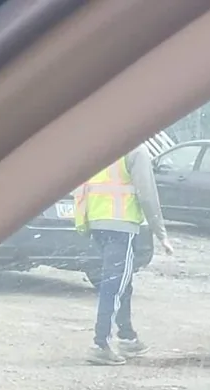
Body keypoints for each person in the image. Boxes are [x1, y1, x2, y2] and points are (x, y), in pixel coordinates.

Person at [73, 143, 173, 365]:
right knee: (115, 285)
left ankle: (127, 336)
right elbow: (147, 194)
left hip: (97, 222)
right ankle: (101, 344)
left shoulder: (99, 145)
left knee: (121, 282)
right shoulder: (135, 149)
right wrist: (161, 233)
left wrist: (83, 221)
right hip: (121, 225)